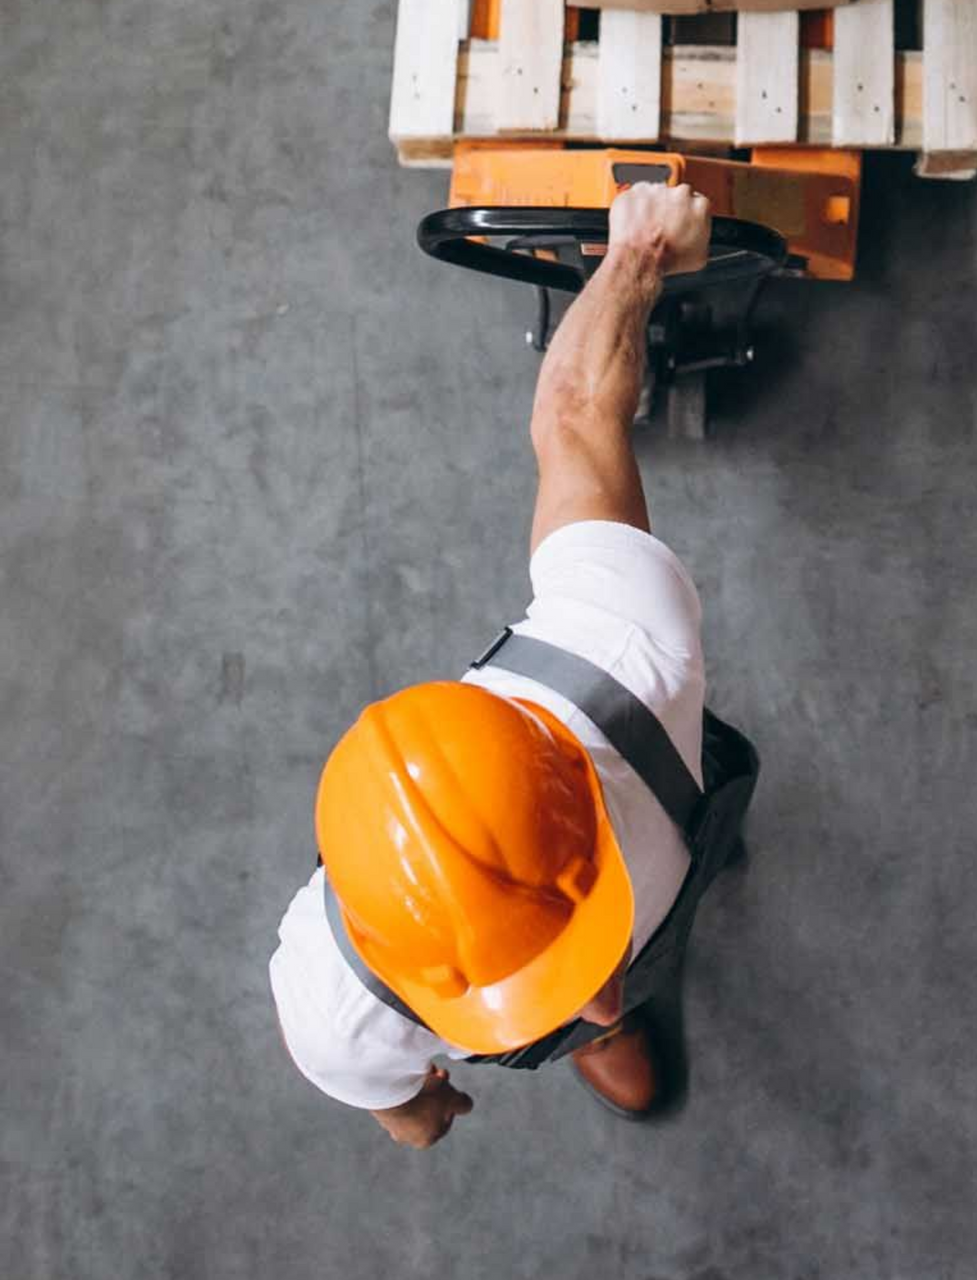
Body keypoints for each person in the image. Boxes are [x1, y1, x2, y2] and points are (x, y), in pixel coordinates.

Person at [269, 183, 753, 1149]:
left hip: (653, 783)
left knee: (651, 930)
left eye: (576, 956)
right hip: (652, 824)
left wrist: (641, 257)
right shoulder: (336, 1016)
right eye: (548, 976)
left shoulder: (622, 654)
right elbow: (402, 1117)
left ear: (578, 777)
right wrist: (421, 1107)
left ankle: (666, 882)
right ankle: (576, 1032)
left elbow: (578, 415)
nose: (602, 997)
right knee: (616, 994)